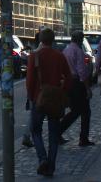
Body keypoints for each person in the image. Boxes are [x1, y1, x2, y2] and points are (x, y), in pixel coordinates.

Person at [26, 28, 72, 177]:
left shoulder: (35, 56)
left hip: (38, 97)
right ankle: (50, 166)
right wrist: (62, 90)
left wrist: (32, 97)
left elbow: (29, 81)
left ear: (40, 40)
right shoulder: (59, 56)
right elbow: (69, 77)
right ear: (53, 40)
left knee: (36, 130)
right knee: (53, 134)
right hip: (54, 100)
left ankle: (42, 159)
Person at [59, 31, 96, 146]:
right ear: (80, 40)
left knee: (75, 110)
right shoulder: (78, 51)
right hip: (77, 84)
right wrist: (87, 88)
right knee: (85, 111)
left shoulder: (66, 50)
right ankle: (83, 138)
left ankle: (58, 131)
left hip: (68, 82)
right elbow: (82, 72)